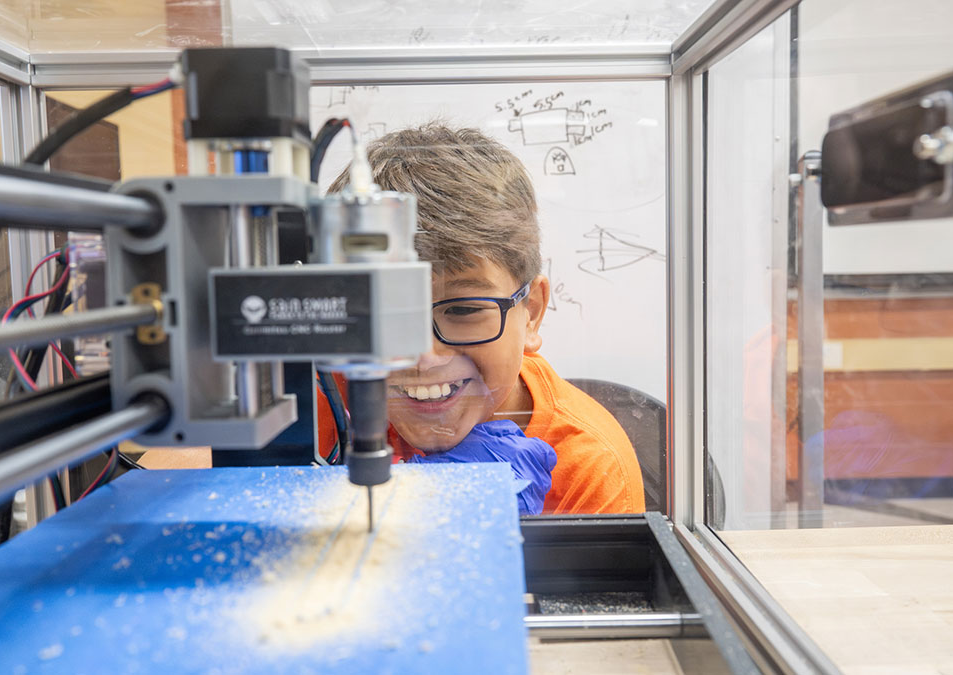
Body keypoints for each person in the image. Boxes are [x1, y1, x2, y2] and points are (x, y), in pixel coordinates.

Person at [144, 123, 644, 515]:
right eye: (386, 309)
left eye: (464, 309)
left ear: (530, 313)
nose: (423, 356)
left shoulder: (588, 467)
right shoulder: (316, 396)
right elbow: (158, 483)